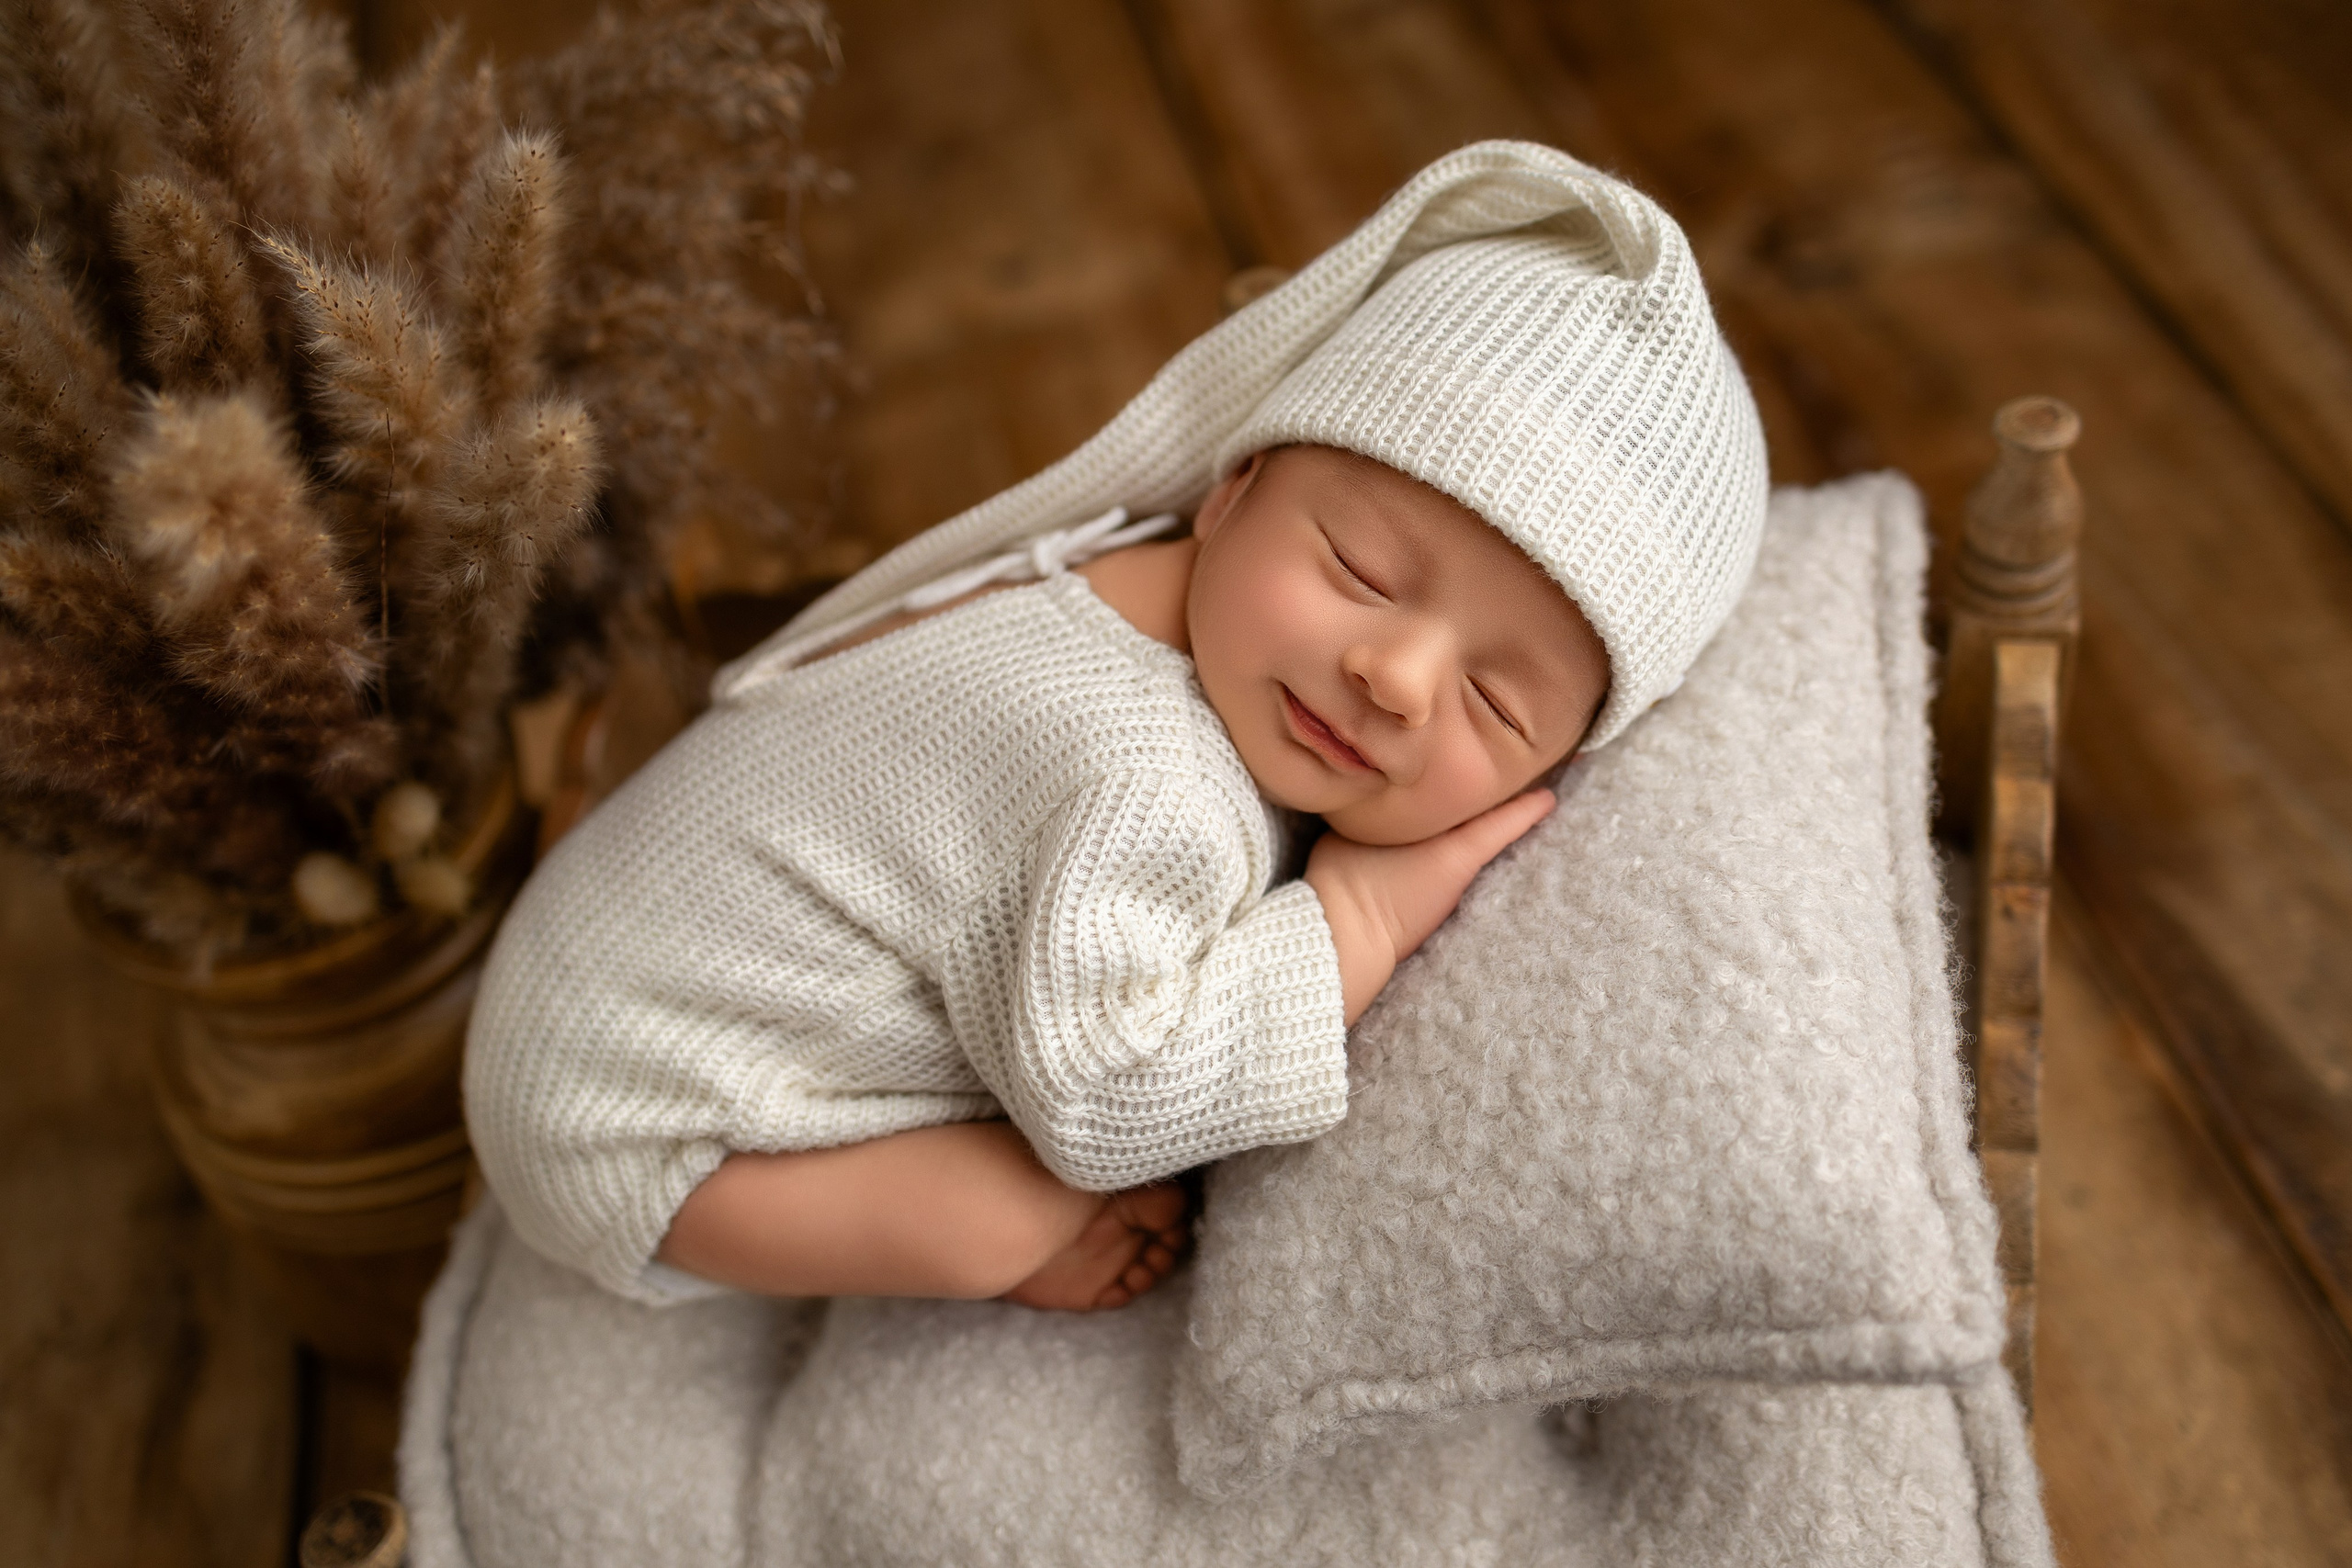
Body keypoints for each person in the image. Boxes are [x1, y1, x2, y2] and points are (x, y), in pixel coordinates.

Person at [463, 141, 1769, 1314]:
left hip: (597, 944)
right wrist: (1358, 924)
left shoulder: (1149, 574)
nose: (1396, 679)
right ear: (1233, 489)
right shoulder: (1144, 776)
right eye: (1362, 570)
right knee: (1005, 1213)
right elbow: (1107, 1098)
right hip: (617, 1112)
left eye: (1497, 702)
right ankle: (990, 1249)